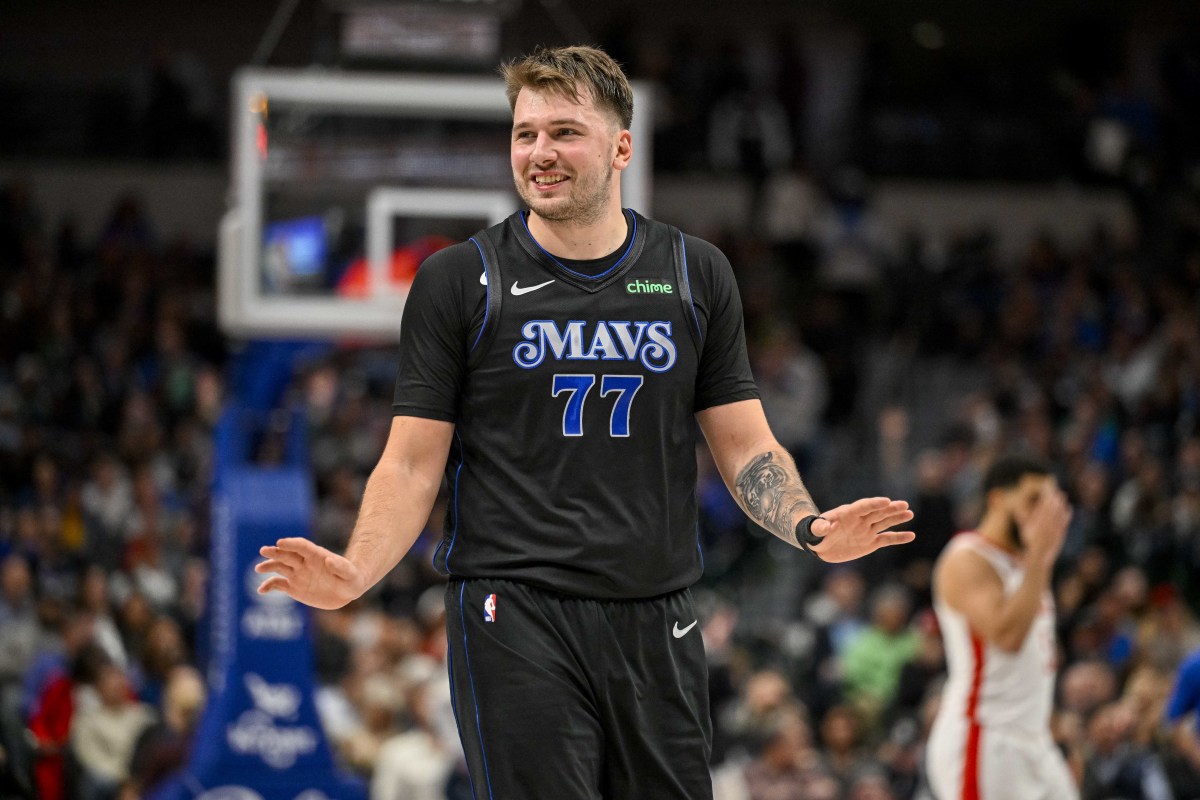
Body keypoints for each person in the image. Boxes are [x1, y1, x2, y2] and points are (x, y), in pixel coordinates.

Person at [256, 44, 914, 800]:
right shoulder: (457, 281)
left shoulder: (696, 274)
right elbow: (410, 463)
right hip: (514, 608)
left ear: (622, 147)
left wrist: (807, 525)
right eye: (525, 133)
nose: (540, 152)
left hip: (657, 610)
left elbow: (745, 445)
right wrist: (359, 569)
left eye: (564, 131)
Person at [925, 456, 1077, 800]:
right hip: (986, 736)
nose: (1042, 513)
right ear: (997, 499)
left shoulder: (1026, 562)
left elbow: (1033, 658)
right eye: (1032, 500)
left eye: (1049, 502)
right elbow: (1007, 637)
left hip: (1034, 738)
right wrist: (1041, 556)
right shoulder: (967, 558)